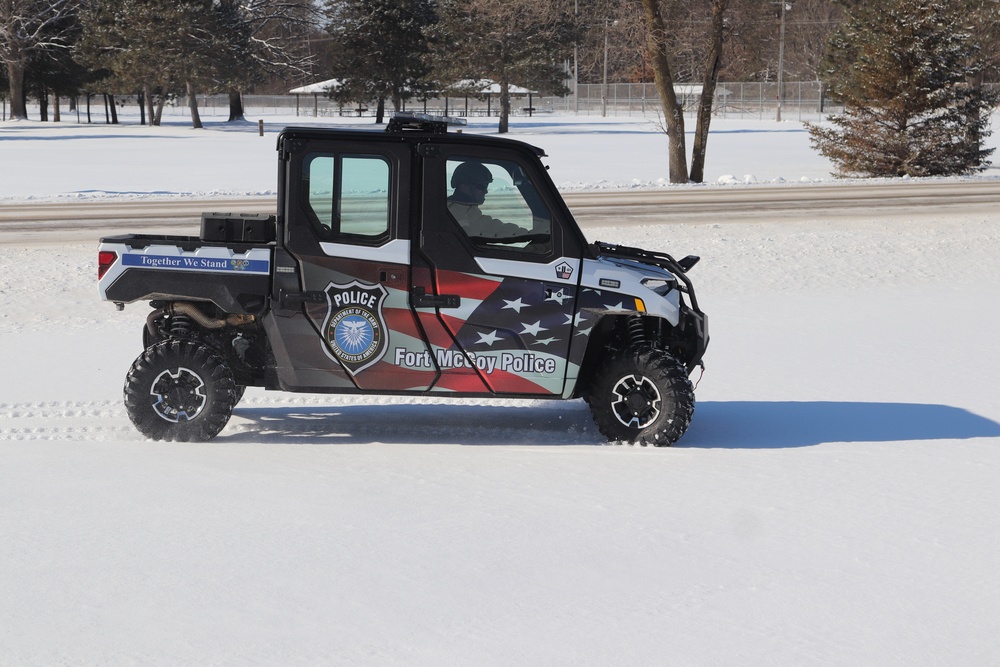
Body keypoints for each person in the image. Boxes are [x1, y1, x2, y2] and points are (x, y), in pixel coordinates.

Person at [447, 161, 530, 240]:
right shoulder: (455, 213)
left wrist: (528, 234)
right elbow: (474, 234)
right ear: (464, 187)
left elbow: (491, 227)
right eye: (482, 186)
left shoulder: (467, 210)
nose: (486, 191)